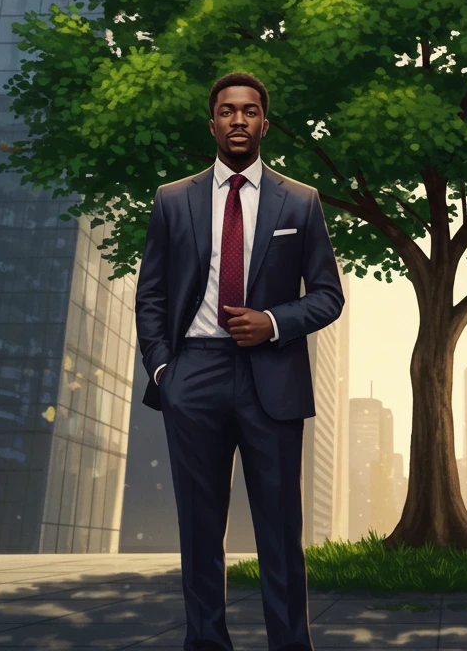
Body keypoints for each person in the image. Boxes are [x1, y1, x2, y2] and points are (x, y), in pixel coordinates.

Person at [135, 72, 345, 651]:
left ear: (263, 125)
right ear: (212, 123)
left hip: (270, 377)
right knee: (200, 531)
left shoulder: (299, 200)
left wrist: (273, 321)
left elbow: (328, 294)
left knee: (280, 532)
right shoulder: (172, 200)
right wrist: (163, 372)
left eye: (249, 112)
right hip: (193, 375)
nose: (238, 120)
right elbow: (150, 295)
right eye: (227, 111)